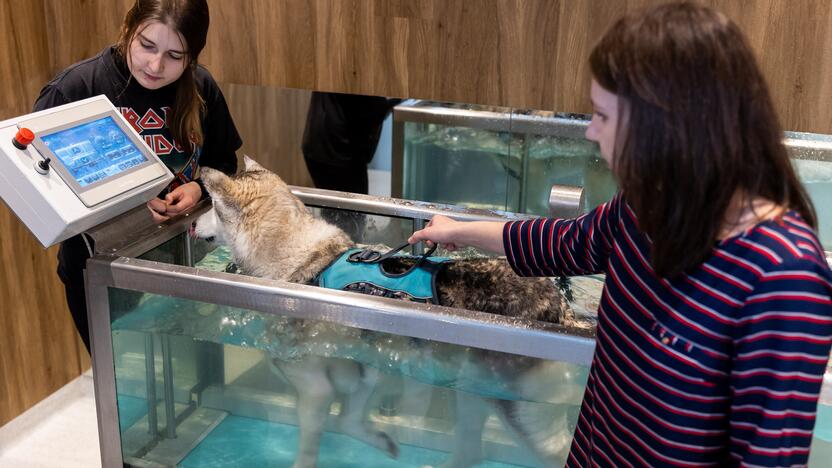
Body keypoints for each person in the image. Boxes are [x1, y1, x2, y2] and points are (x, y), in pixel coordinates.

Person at [408, 3, 832, 466]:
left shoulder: (783, 276)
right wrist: (459, 230)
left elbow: (768, 457)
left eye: (604, 116)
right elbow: (563, 242)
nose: (591, 132)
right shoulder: (646, 208)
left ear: (667, 123)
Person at [33, 0, 242, 353]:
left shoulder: (201, 87)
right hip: (104, 273)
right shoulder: (76, 88)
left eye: (175, 56)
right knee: (127, 387)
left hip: (186, 260)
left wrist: (199, 188)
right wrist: (123, 201)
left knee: (190, 366)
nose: (156, 65)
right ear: (129, 28)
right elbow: (43, 191)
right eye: (147, 46)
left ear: (192, 56)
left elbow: (225, 161)